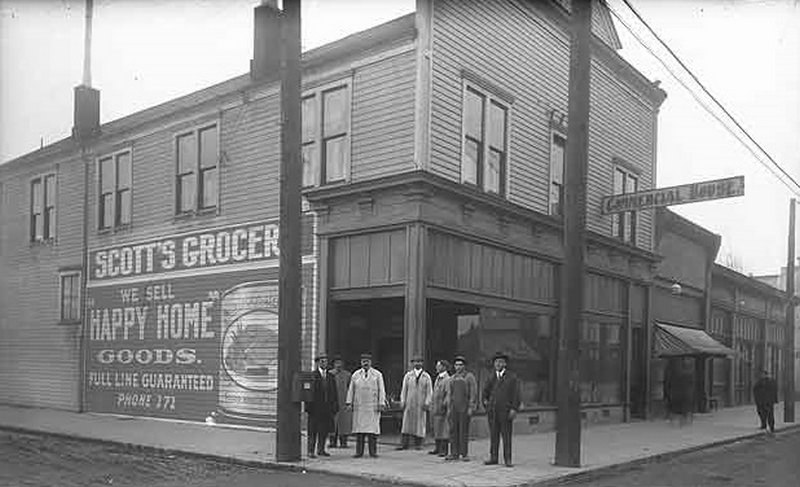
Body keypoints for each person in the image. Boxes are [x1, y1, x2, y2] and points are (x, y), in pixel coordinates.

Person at [482, 352, 520, 467]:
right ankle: (493, 457)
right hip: (493, 412)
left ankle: (507, 459)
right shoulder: (491, 376)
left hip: (506, 411)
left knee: (506, 435)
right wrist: (486, 404)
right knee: (494, 435)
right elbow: (485, 393)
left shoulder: (512, 377)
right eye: (496, 362)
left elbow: (516, 394)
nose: (498, 364)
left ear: (505, 364)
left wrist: (514, 409)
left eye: (500, 362)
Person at [346, 352, 387, 458]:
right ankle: (359, 452)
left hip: (372, 406)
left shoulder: (377, 375)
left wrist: (381, 403)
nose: (365, 363)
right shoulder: (355, 375)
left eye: (367, 361)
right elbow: (351, 389)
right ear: (361, 362)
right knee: (360, 432)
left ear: (371, 362)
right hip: (359, 405)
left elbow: (382, 390)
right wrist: (349, 402)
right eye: (363, 361)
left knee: (372, 432)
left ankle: (373, 452)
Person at [305, 353, 338, 458]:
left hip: (326, 408)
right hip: (315, 408)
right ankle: (310, 451)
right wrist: (308, 407)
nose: (324, 363)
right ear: (317, 363)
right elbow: (307, 393)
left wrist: (335, 406)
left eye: (325, 361)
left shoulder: (330, 376)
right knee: (313, 430)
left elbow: (334, 392)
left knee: (323, 430)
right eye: (322, 361)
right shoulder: (312, 376)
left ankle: (321, 449)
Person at [446, 355, 477, 462]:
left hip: (464, 406)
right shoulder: (452, 378)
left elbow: (473, 393)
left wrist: (471, 407)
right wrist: (449, 407)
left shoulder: (469, 377)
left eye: (460, 365)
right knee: (453, 430)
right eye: (456, 365)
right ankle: (454, 453)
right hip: (454, 406)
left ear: (464, 366)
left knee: (463, 430)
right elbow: (449, 394)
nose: (458, 367)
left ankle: (464, 453)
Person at [397, 355, 433, 450]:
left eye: (419, 361)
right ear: (412, 363)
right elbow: (404, 389)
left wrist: (427, 402)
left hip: (420, 404)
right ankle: (404, 444)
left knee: (420, 424)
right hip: (409, 402)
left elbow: (429, 391)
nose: (417, 363)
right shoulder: (408, 376)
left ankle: (419, 444)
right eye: (415, 362)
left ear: (422, 363)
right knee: (406, 423)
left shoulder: (426, 376)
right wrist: (403, 401)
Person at [429, 359, 451, 457]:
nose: (436, 368)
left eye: (439, 366)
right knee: (437, 428)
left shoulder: (447, 379)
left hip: (442, 408)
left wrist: (444, 404)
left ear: (444, 367)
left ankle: (444, 450)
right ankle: (437, 447)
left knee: (444, 429)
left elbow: (448, 393)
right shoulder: (438, 378)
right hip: (436, 407)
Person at [329, 356, 352, 448]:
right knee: (332, 422)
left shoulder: (347, 375)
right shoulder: (329, 374)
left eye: (340, 362)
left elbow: (350, 388)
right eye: (336, 363)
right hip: (332, 401)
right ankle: (332, 441)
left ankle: (343, 441)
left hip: (344, 401)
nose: (338, 365)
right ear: (334, 364)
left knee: (344, 423)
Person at [753, 369, 778, 433]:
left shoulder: (770, 381)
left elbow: (775, 391)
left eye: (764, 374)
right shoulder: (760, 381)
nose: (763, 376)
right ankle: (766, 425)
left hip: (767, 401)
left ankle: (770, 426)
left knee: (768, 414)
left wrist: (775, 399)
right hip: (763, 401)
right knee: (763, 413)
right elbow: (755, 390)